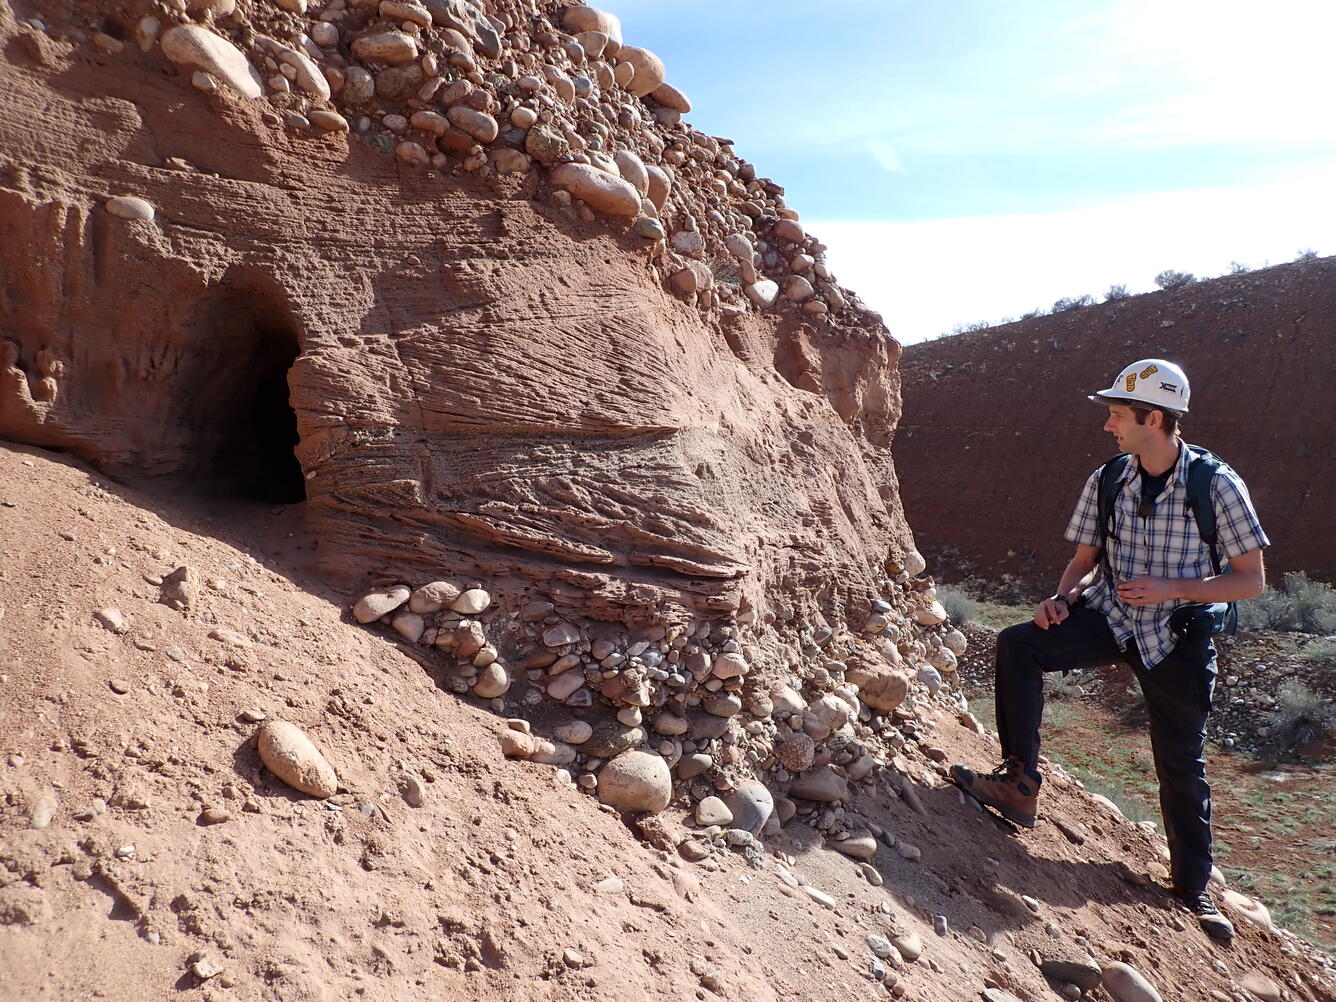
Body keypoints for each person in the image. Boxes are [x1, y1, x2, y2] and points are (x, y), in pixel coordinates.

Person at [950, 358, 1268, 944]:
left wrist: (1174, 589)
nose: (1107, 425)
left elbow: (1251, 579)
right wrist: (1061, 598)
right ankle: (1020, 784)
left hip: (1177, 636)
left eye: (1118, 414)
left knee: (1181, 761)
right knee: (1019, 644)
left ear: (1154, 417)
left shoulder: (1215, 484)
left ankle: (1193, 888)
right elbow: (1083, 560)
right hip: (1109, 616)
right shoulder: (1108, 479)